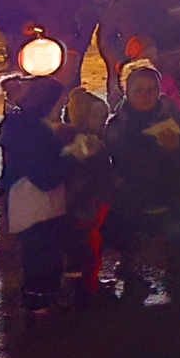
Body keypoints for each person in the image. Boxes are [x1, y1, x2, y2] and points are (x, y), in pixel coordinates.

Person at [106, 64, 180, 293]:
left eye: (151, 90)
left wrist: (176, 149)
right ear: (127, 91)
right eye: (139, 90)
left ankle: (177, 264)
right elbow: (118, 164)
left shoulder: (173, 119)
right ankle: (129, 263)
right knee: (128, 229)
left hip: (169, 192)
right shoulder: (117, 124)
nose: (146, 96)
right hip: (132, 195)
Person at [0, 74, 72, 317]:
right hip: (38, 204)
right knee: (41, 254)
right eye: (59, 104)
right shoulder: (35, 132)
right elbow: (46, 176)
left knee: (39, 252)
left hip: (28, 202)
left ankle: (42, 298)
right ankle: (38, 301)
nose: (61, 109)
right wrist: (72, 157)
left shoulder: (20, 126)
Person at [95, 0, 180, 99]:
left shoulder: (173, 2)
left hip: (166, 71)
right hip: (129, 68)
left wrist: (168, 57)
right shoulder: (123, 2)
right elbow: (106, 35)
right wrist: (117, 61)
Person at [60, 87, 113, 306]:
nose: (103, 121)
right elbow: (82, 176)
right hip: (87, 205)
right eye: (98, 117)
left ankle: (84, 285)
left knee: (85, 247)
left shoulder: (85, 140)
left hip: (89, 203)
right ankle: (86, 289)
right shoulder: (85, 145)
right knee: (87, 248)